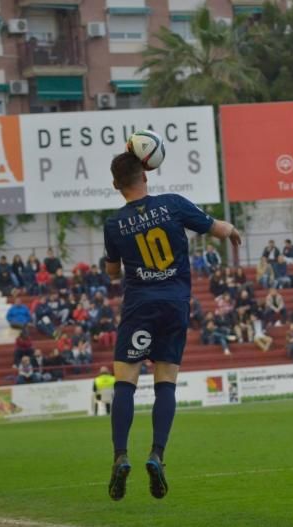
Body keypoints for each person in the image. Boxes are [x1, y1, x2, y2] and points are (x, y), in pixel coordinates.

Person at [102, 151, 240, 501]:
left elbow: (113, 272)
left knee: (125, 381)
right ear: (146, 175)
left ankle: (120, 456)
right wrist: (232, 230)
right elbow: (219, 229)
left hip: (139, 307)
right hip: (175, 304)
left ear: (117, 186)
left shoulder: (114, 224)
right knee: (166, 383)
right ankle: (157, 454)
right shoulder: (173, 204)